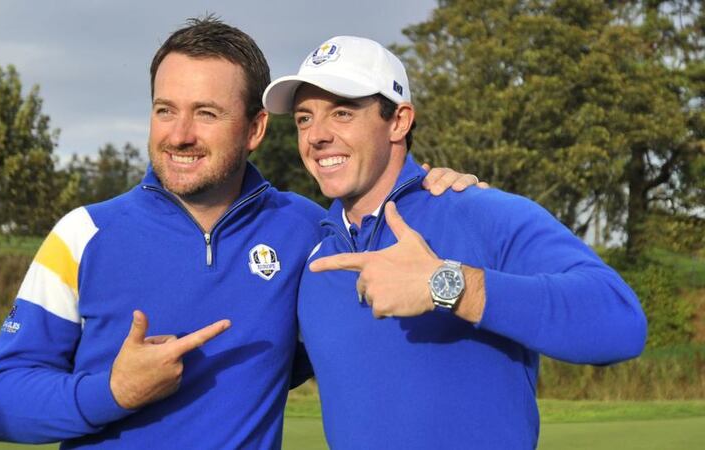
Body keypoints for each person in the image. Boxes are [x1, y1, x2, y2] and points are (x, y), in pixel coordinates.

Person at [0, 18, 479, 449]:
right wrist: (112, 392)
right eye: (165, 109)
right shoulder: (82, 234)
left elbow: (360, 318)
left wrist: (439, 189)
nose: (179, 135)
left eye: (206, 113)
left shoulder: (308, 230)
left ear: (255, 129)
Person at [263, 35, 648, 449]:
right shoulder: (314, 255)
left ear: (399, 121)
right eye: (304, 118)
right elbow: (259, 369)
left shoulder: (479, 211)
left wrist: (448, 284)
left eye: (342, 112)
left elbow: (621, 323)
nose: (316, 135)